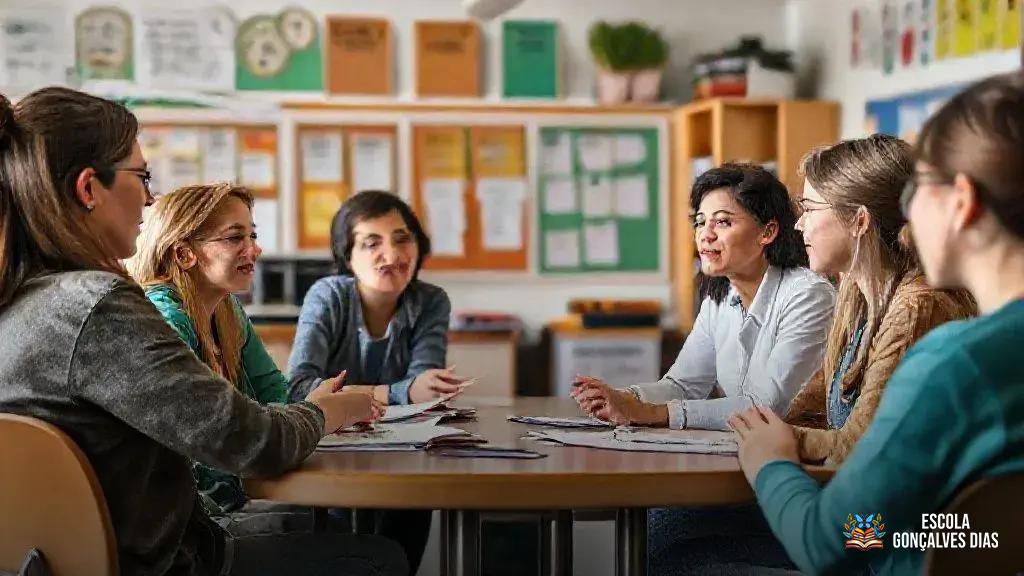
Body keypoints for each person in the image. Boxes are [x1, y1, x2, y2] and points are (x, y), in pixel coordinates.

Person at [0, 87, 405, 576]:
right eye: (142, 176)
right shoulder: (97, 308)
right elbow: (253, 442)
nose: (150, 198)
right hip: (166, 564)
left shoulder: (20, 302)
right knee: (377, 557)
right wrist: (329, 411)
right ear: (89, 189)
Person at [732, 71, 1024, 575]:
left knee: (676, 543)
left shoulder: (954, 361)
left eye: (917, 194)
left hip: (876, 550)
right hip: (905, 539)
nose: (906, 217)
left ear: (961, 201)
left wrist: (772, 460)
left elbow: (836, 539)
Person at [129, 183, 363, 535]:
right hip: (189, 526)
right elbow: (205, 438)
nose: (254, 249)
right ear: (183, 254)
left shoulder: (227, 309)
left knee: (335, 526)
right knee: (368, 551)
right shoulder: (165, 317)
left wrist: (320, 406)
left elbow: (275, 397)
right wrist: (324, 413)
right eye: (234, 238)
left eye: (252, 235)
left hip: (225, 502)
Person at [572, 164, 835, 431]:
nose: (705, 235)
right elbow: (683, 385)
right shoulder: (720, 295)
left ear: (767, 232)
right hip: (746, 449)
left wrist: (650, 412)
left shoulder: (808, 295)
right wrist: (623, 397)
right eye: (700, 222)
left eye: (722, 222)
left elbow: (767, 407)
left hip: (799, 454)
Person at [288, 189, 467, 574]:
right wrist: (399, 392)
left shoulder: (431, 301)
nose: (393, 254)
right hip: (333, 455)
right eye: (372, 243)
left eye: (402, 239)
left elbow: (426, 392)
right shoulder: (328, 296)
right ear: (347, 256)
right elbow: (300, 387)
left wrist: (424, 391)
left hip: (407, 456)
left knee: (401, 553)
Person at [785, 134, 975, 466]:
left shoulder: (918, 309)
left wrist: (774, 438)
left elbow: (860, 449)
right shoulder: (856, 295)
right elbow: (813, 408)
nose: (800, 224)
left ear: (860, 221)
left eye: (809, 208)